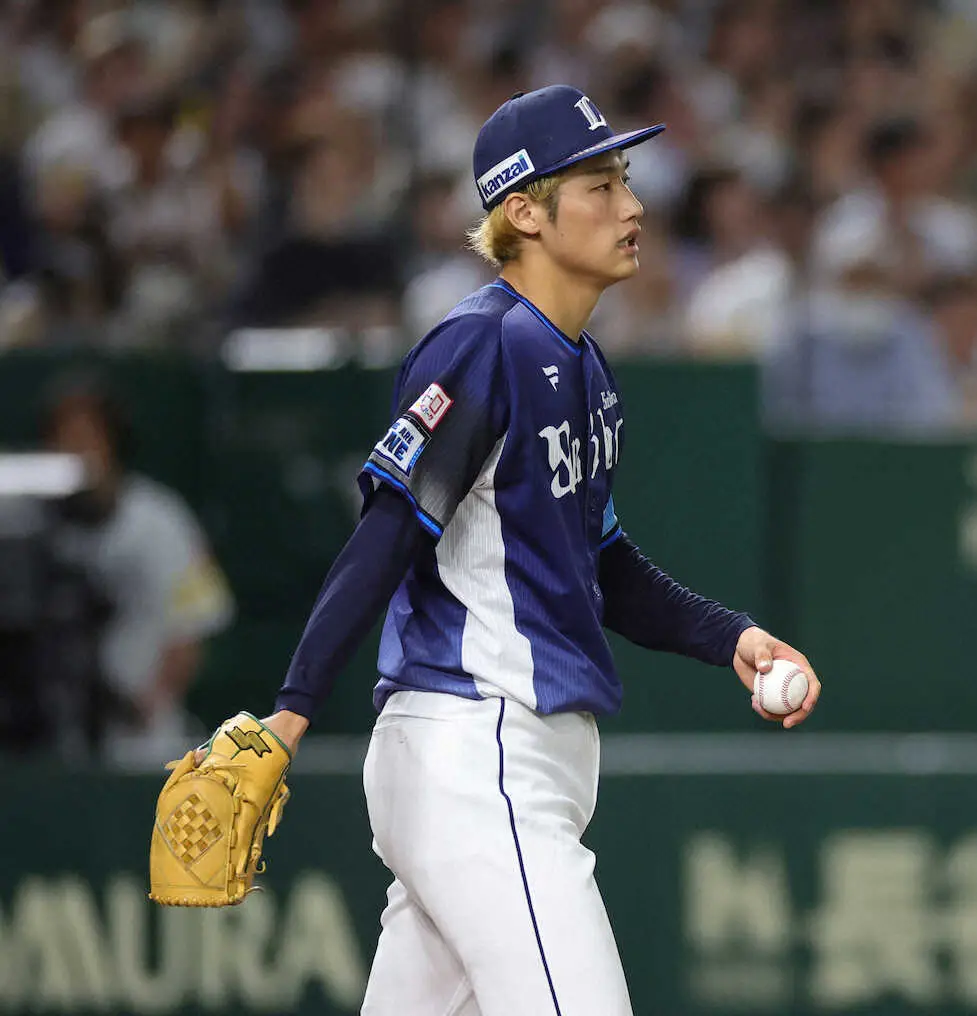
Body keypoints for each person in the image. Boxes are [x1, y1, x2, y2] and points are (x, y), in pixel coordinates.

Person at [238, 85, 822, 1015]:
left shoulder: (583, 364)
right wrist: (292, 710)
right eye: (600, 186)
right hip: (480, 748)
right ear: (524, 211)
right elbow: (387, 529)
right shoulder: (482, 345)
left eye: (625, 180)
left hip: (501, 763)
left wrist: (732, 638)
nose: (632, 207)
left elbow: (604, 564)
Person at [41, 372, 234, 765]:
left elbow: (194, 626)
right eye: (65, 439)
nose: (77, 451)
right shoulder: (33, 524)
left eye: (87, 437)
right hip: (55, 733)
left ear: (113, 441)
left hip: (141, 735)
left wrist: (151, 702)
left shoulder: (161, 519)